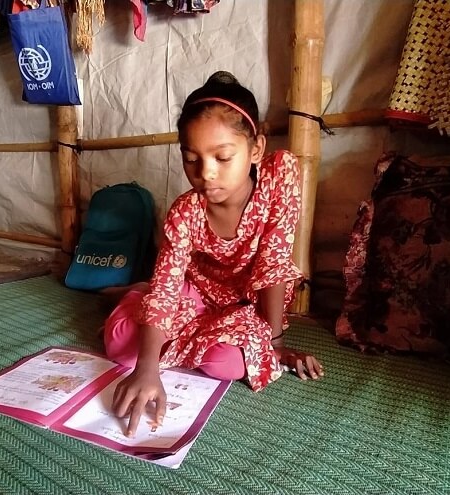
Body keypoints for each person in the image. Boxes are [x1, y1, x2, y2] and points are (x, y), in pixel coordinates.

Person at [103, 71, 324, 437]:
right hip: (194, 293)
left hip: (245, 303)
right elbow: (168, 289)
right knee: (121, 344)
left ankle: (140, 295)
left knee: (229, 364)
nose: (206, 173)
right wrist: (147, 369)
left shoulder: (279, 176)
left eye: (223, 157)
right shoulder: (185, 211)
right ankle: (134, 296)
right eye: (191, 159)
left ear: (256, 150)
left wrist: (274, 346)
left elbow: (273, 262)